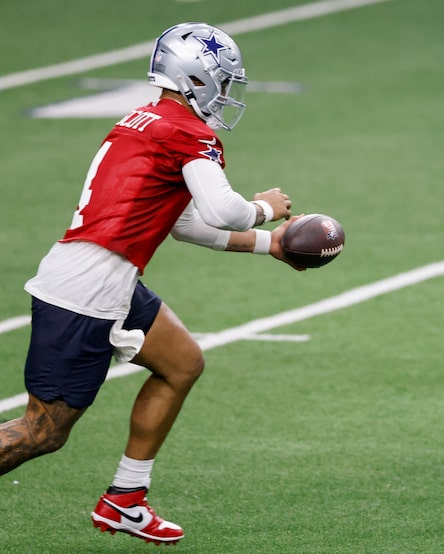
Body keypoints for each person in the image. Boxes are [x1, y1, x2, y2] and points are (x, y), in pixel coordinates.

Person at [0, 22, 303, 545]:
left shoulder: (145, 121)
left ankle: (125, 500)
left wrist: (269, 245)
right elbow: (223, 210)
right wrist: (264, 210)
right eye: (223, 82)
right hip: (88, 291)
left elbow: (184, 222)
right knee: (41, 433)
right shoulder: (189, 131)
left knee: (182, 362)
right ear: (198, 78)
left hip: (106, 278)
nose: (226, 95)